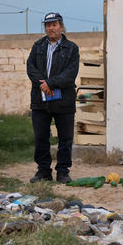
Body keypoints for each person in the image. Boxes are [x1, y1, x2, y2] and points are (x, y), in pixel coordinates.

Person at [26, 12, 79, 183]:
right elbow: (30, 67)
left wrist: (51, 83)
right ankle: (43, 172)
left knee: (65, 138)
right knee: (41, 137)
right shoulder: (38, 46)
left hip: (64, 100)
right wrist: (42, 84)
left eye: (54, 24)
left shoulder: (72, 48)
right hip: (40, 100)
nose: (51, 28)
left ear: (61, 26)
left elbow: (70, 73)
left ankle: (63, 172)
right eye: (48, 25)